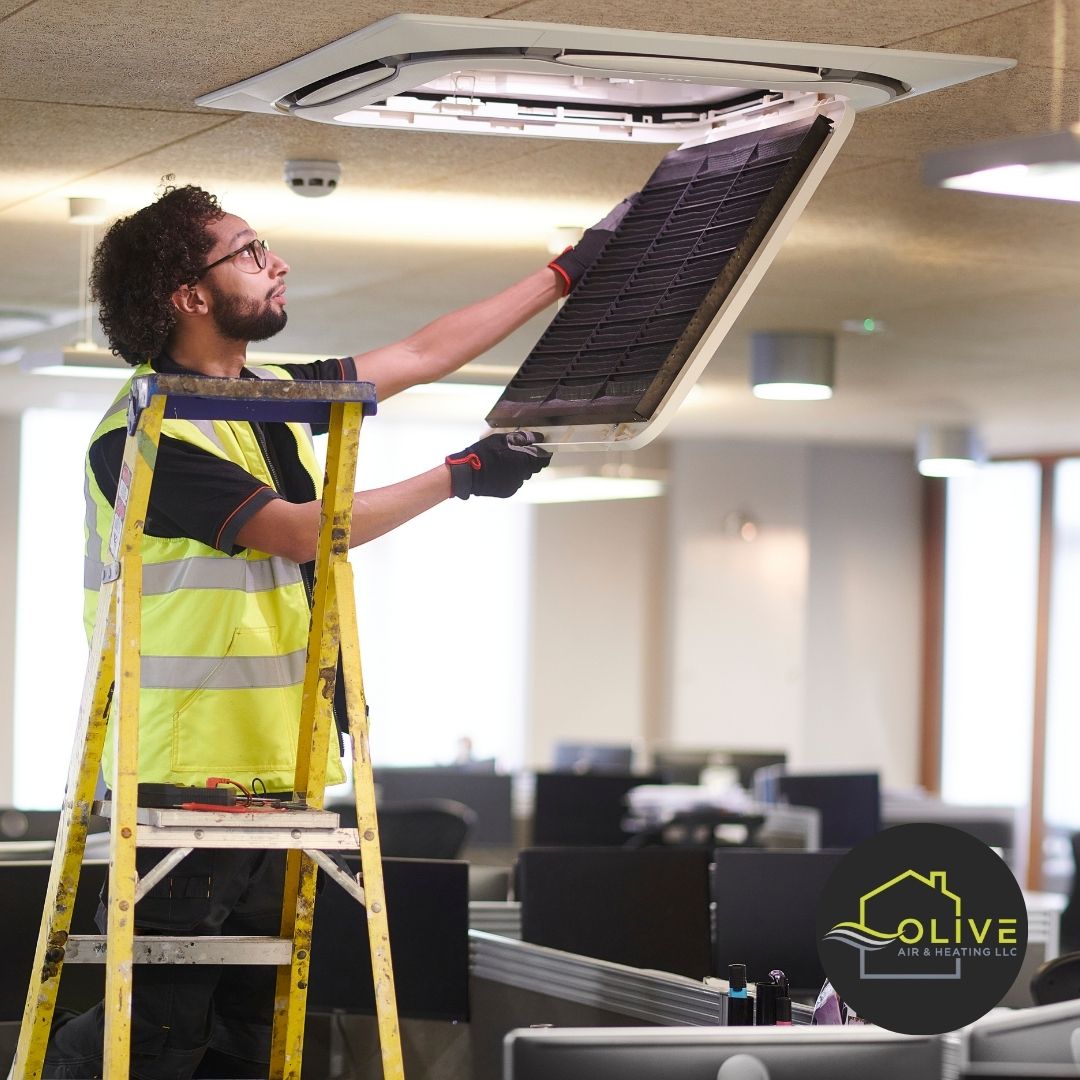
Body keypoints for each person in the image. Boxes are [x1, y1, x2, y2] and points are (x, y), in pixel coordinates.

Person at [41, 178, 629, 1079]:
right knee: (157, 1039)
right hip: (176, 779)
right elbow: (299, 529)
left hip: (281, 776)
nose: (275, 264)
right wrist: (458, 475)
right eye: (248, 251)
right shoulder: (141, 434)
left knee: (249, 1041)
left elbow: (424, 352)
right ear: (190, 296)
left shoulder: (266, 399)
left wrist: (561, 275)